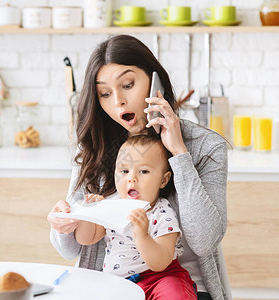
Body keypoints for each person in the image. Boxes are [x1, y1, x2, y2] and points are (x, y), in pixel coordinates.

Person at [48, 34, 231, 300]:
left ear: (154, 82)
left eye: (128, 84)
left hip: (182, 285)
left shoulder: (206, 146)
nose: (118, 101)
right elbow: (70, 249)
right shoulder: (94, 146)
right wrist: (62, 224)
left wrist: (179, 152)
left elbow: (204, 241)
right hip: (111, 281)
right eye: (105, 93)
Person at [74, 134, 197, 299]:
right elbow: (85, 239)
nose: (131, 178)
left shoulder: (161, 211)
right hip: (119, 283)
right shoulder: (111, 205)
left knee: (175, 294)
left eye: (144, 171)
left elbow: (160, 262)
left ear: (163, 180)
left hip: (160, 278)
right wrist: (89, 214)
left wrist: (142, 235)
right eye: (124, 171)